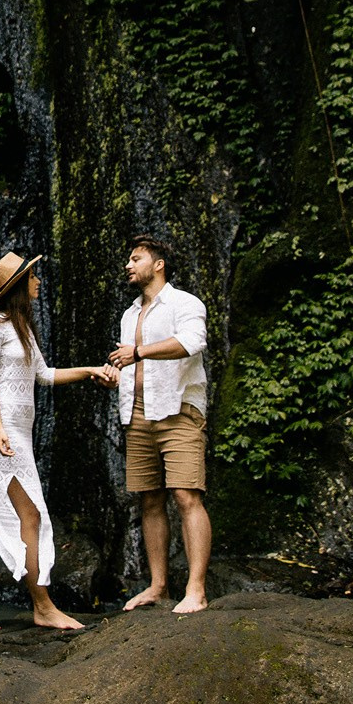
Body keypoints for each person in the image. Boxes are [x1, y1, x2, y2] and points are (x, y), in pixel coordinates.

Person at [0, 251, 117, 632]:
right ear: (18, 286)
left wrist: (90, 370)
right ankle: (42, 605)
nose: (39, 281)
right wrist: (0, 429)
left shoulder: (22, 326)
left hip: (16, 430)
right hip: (3, 428)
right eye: (33, 277)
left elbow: (44, 374)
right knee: (32, 515)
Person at [110, 234, 213, 615]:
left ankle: (197, 591)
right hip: (137, 413)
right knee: (149, 499)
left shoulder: (185, 303)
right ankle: (157, 586)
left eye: (135, 258)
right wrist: (113, 373)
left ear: (158, 264)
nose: (128, 265)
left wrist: (137, 352)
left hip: (178, 410)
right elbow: (131, 364)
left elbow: (191, 342)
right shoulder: (129, 314)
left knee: (187, 496)